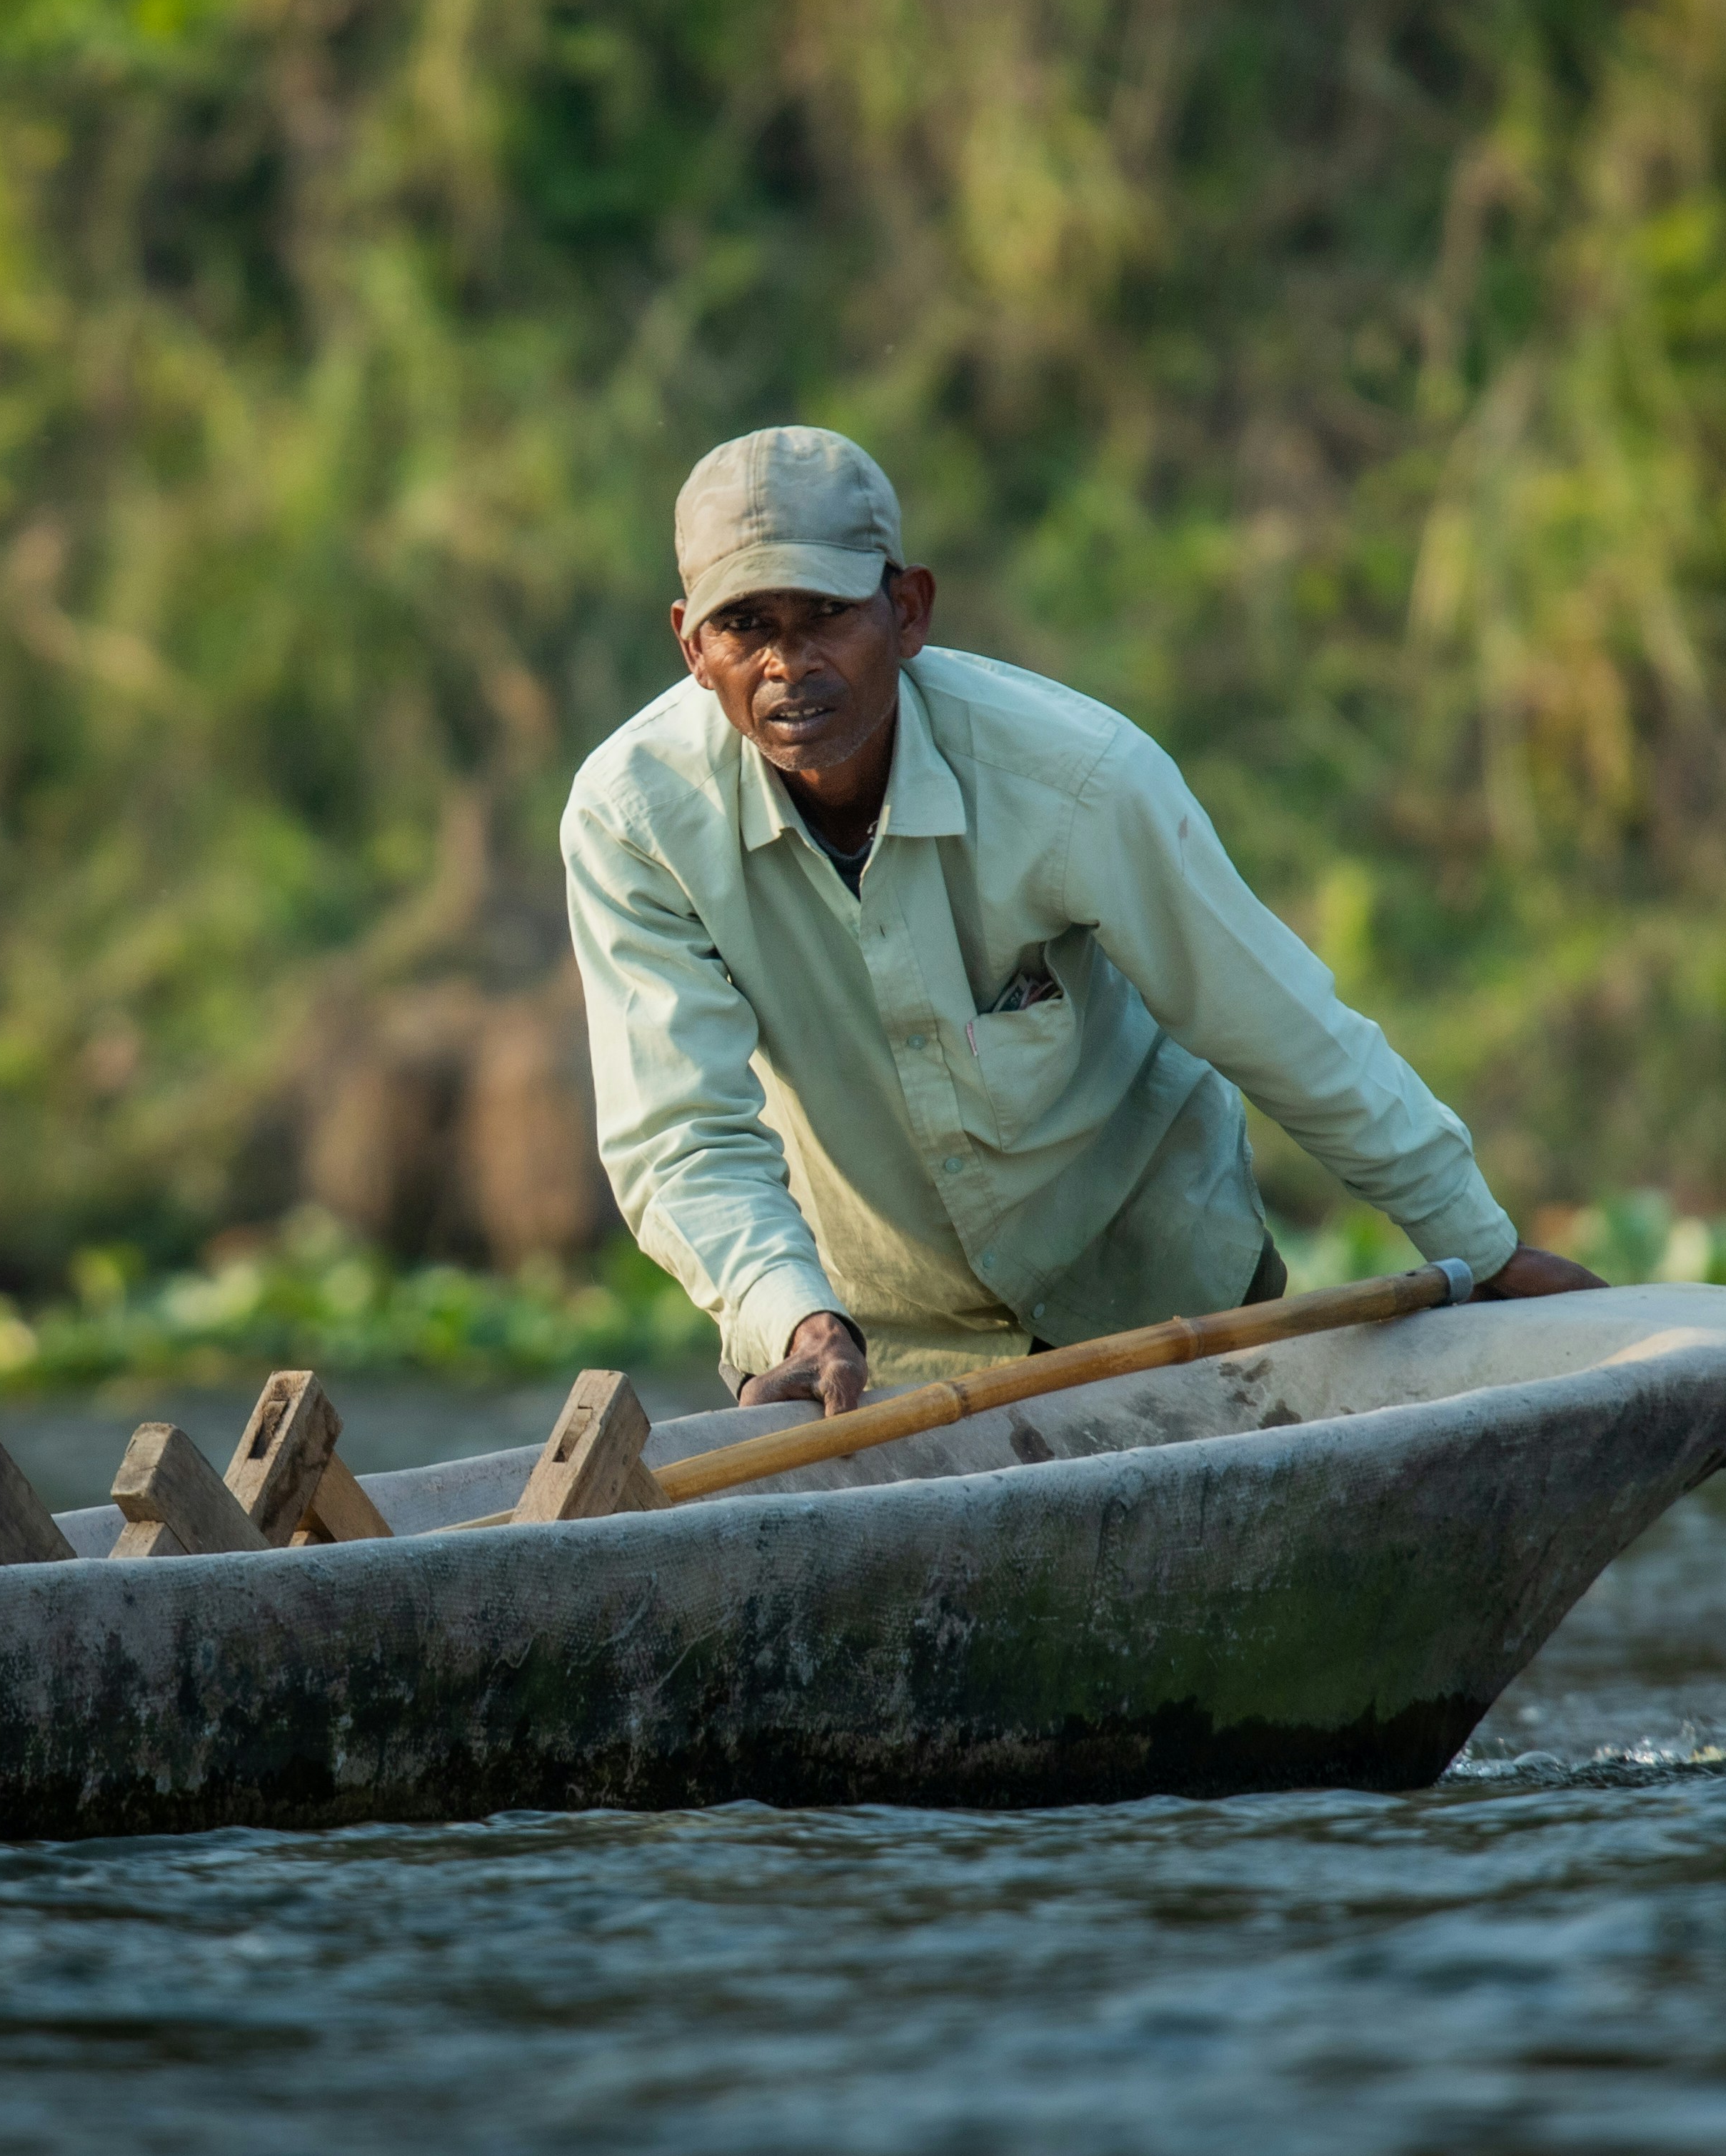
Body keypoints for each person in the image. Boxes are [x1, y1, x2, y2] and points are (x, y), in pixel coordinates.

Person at [563, 426, 1602, 1418]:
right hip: (871, 1359)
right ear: (692, 648)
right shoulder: (636, 822)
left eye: (826, 615)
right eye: (746, 627)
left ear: (909, 612)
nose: (787, 664)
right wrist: (795, 1319)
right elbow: (681, 1135)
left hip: (1159, 1297)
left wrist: (1476, 1238)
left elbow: (1268, 1016)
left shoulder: (1073, 778)